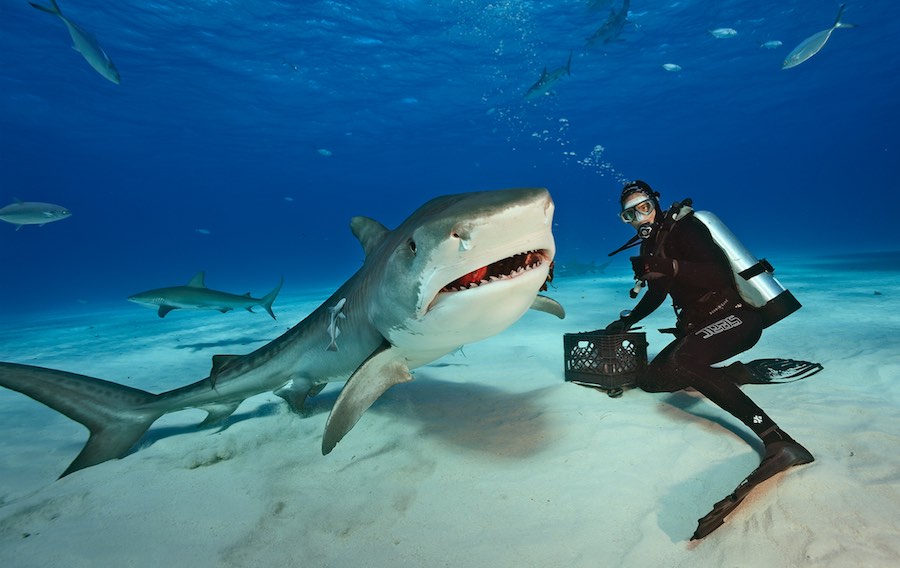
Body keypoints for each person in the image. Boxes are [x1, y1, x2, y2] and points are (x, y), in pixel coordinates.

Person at [604, 180, 814, 539]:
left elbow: (717, 273)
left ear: (655, 203)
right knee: (652, 381)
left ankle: (778, 440)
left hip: (736, 318)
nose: (640, 218)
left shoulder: (685, 229)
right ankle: (732, 375)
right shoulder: (654, 245)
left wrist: (670, 265)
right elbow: (657, 294)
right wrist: (627, 320)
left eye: (644, 208)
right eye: (630, 215)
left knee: (685, 362)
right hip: (701, 328)